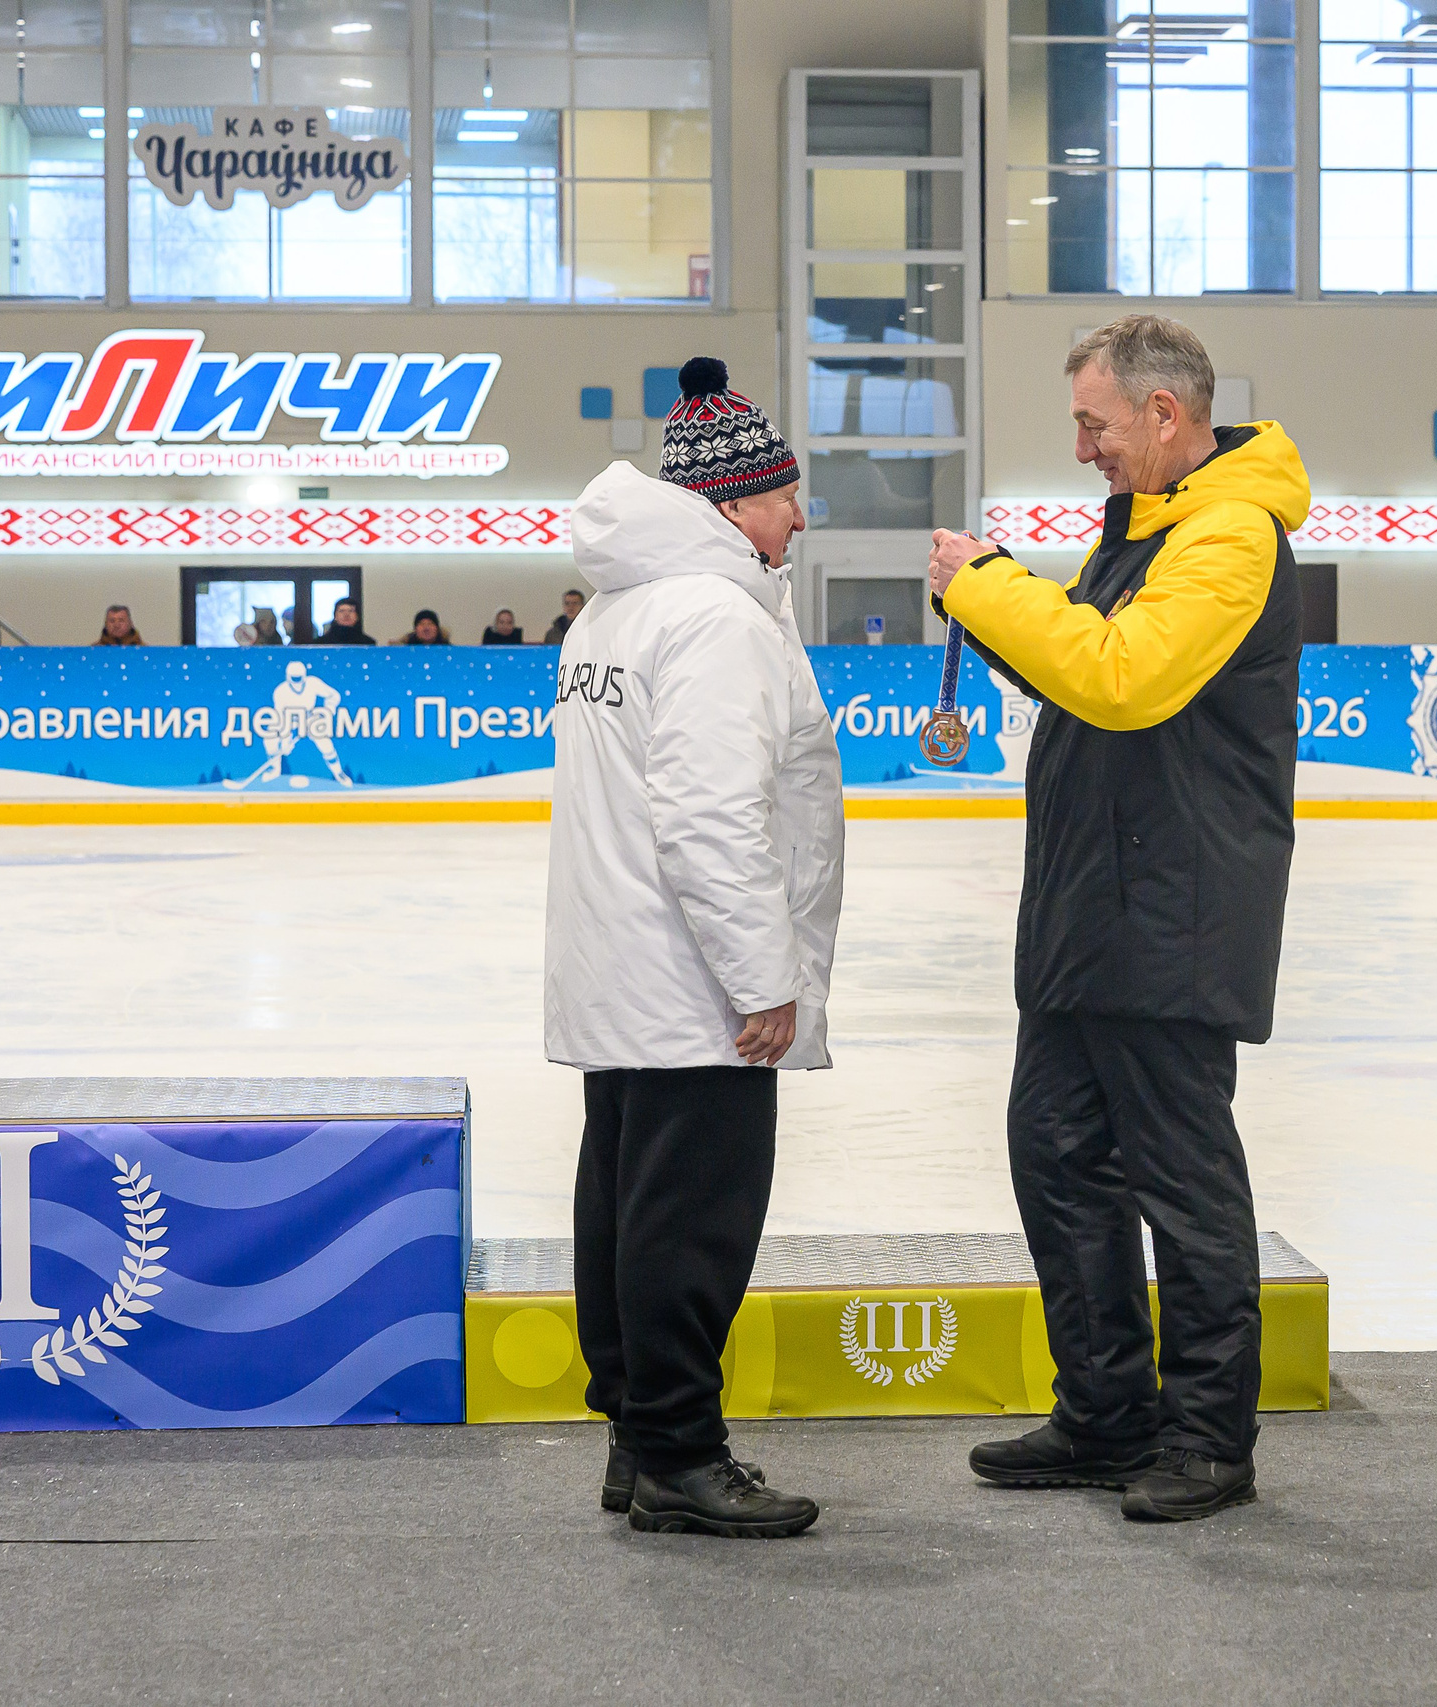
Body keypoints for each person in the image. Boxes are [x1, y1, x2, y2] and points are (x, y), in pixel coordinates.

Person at [926, 313, 1304, 1524]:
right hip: (1094, 910)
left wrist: (990, 586)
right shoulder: (1143, 527)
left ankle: (1206, 1436)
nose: (1083, 445)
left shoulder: (1229, 536)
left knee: (1181, 1185)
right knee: (1057, 1155)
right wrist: (997, 614)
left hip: (1173, 912)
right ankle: (1104, 1415)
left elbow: (1128, 680)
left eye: (1094, 422)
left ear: (1162, 413)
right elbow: (1084, 663)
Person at [547, 357, 844, 1541]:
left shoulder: (615, 608)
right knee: (690, 1221)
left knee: (623, 1201)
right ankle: (678, 1451)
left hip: (625, 974)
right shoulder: (717, 616)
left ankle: (634, 1432)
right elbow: (710, 815)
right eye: (784, 497)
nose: (798, 517)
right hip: (692, 986)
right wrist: (761, 976)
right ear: (731, 505)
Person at [224, 658, 353, 790]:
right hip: (288, 720)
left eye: (299, 678)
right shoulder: (280, 692)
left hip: (309, 719)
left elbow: (334, 696)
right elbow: (280, 719)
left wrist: (326, 712)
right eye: (294, 678)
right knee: (270, 739)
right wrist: (285, 742)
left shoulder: (313, 683)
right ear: (287, 677)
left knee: (325, 743)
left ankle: (338, 773)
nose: (297, 683)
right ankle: (274, 769)